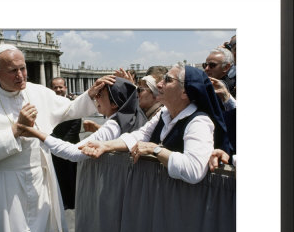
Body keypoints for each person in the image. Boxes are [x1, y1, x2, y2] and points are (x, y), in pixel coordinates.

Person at [0, 44, 109, 232]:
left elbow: (69, 109)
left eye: (23, 68)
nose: (21, 75)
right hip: (9, 185)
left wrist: (90, 94)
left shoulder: (38, 91)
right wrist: (16, 129)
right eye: (13, 71)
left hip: (42, 176)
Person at [80, 63, 230, 184]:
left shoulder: (199, 122)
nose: (159, 84)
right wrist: (106, 146)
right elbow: (141, 135)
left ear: (185, 92)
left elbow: (193, 170)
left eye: (168, 80)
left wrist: (156, 150)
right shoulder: (164, 113)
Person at [17, 77, 147, 163]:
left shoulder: (114, 124)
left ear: (114, 104)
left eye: (100, 95)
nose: (96, 98)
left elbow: (74, 152)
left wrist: (36, 133)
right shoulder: (132, 118)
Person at [50, 77, 82, 209]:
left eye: (60, 87)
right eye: (55, 87)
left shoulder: (73, 104)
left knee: (72, 175)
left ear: (65, 88)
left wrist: (62, 144)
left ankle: (73, 201)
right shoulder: (48, 106)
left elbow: (76, 125)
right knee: (58, 175)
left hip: (71, 145)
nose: (58, 90)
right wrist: (53, 142)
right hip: (55, 147)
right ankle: (62, 200)